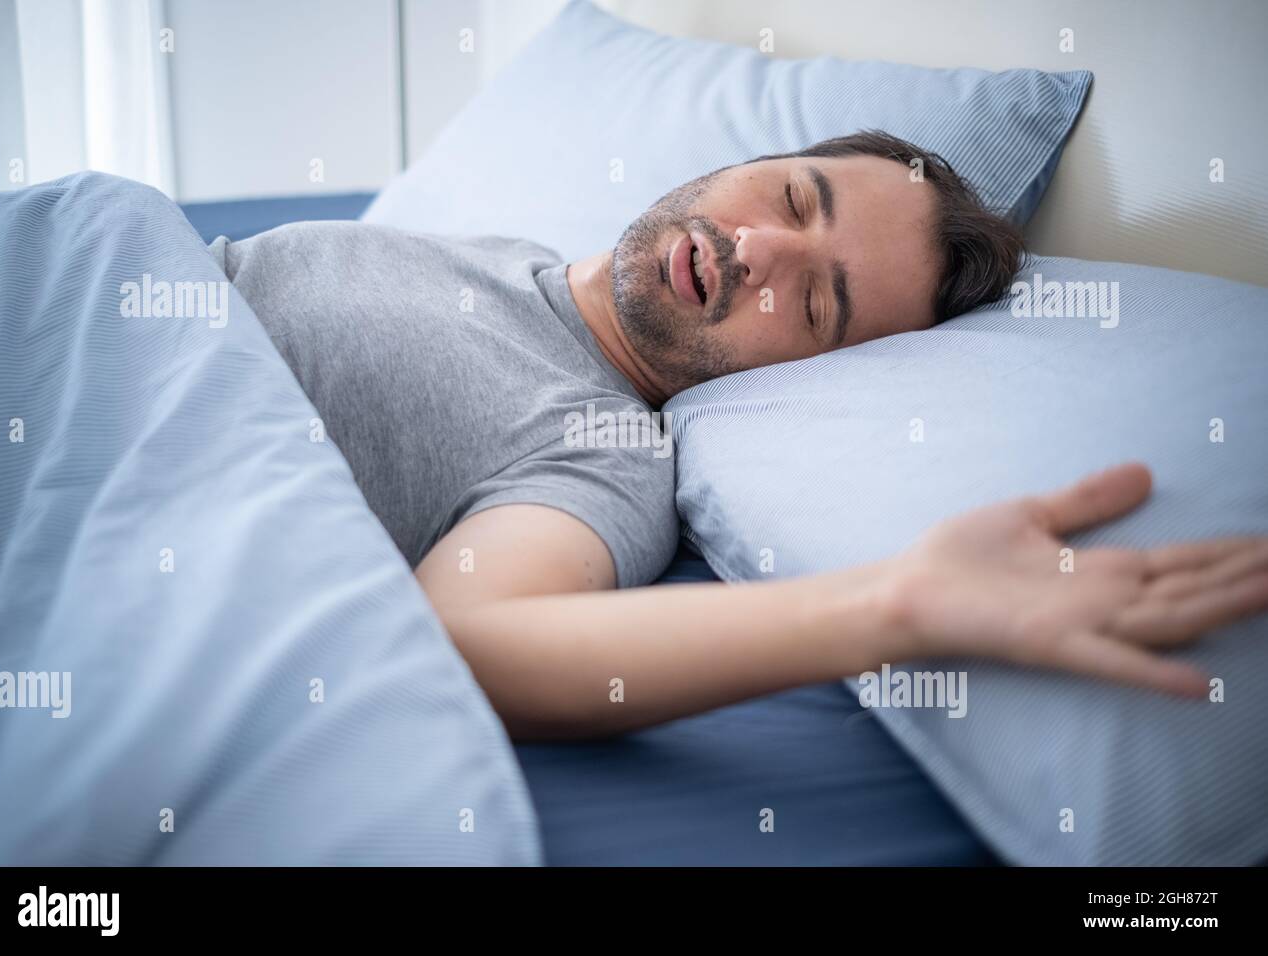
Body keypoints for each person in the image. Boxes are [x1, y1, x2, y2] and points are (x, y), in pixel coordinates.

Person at [209, 130, 1268, 740]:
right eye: (791, 196)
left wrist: (896, 604)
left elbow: (479, 644)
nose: (758, 246)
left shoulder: (606, 454)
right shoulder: (503, 252)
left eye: (815, 306)